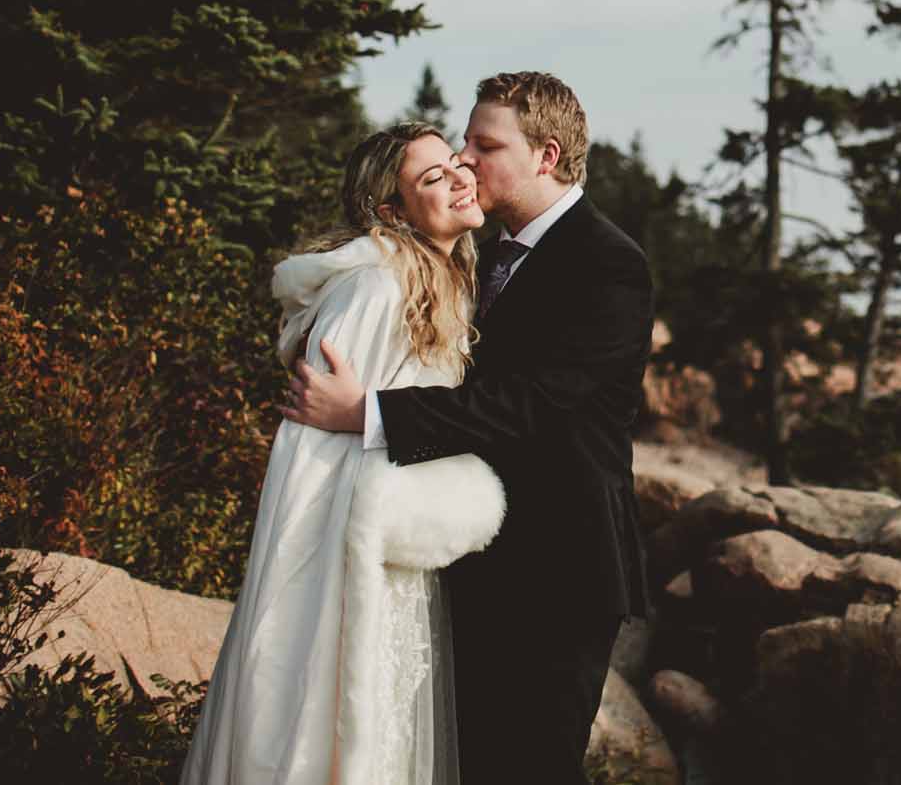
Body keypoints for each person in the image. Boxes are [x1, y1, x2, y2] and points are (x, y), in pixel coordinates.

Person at [284, 71, 653, 785]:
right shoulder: (483, 253)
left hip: (561, 568)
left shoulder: (608, 263)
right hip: (478, 556)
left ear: (546, 156)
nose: (465, 156)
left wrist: (370, 412)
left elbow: (528, 403)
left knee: (530, 768)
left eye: (486, 143)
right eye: (466, 138)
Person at [183, 122, 503, 785]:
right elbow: (309, 455)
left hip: (394, 560)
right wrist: (312, 598)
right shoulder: (374, 290)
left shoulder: (443, 285)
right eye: (432, 177)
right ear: (392, 210)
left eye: (454, 163)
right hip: (342, 569)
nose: (459, 177)